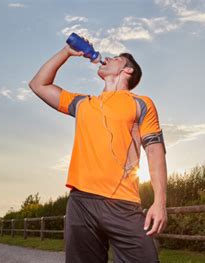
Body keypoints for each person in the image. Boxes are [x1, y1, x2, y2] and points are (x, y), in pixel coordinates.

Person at [29, 42, 168, 263]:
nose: (108, 58)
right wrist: (66, 52)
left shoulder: (141, 104)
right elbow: (38, 84)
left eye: (116, 58)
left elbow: (154, 151)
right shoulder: (83, 103)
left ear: (127, 70)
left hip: (123, 203)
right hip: (81, 202)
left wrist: (159, 202)